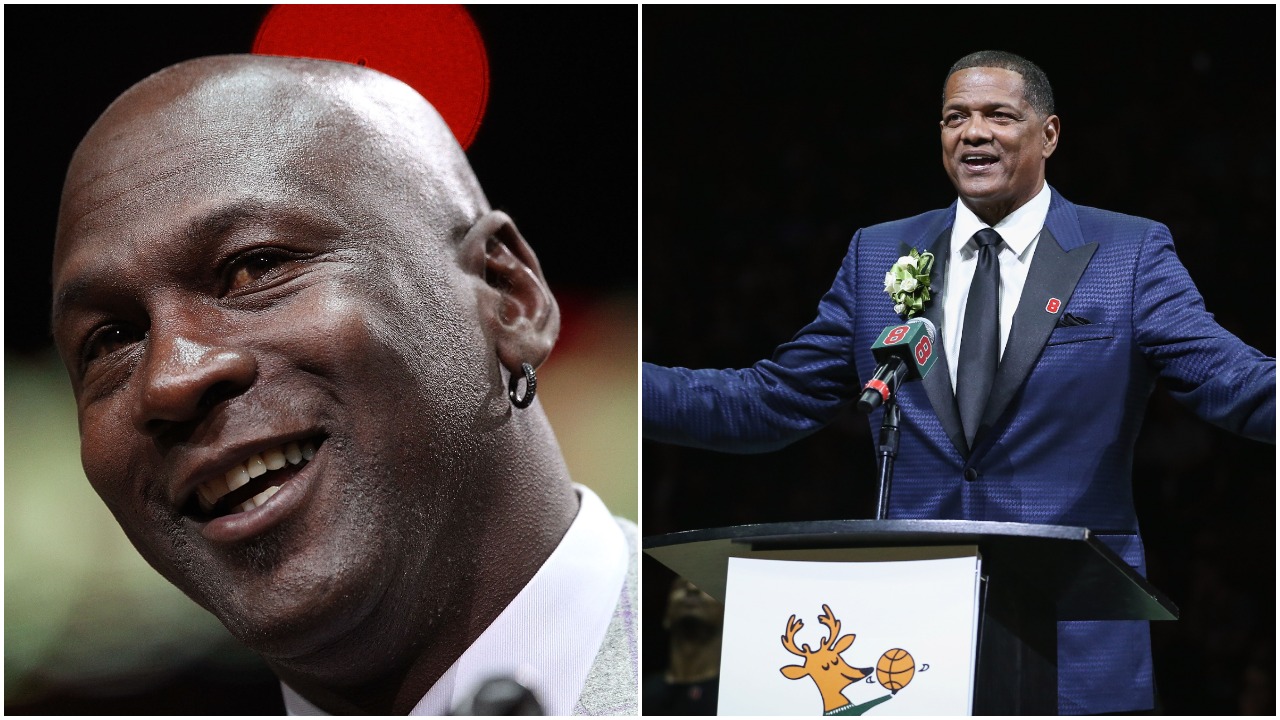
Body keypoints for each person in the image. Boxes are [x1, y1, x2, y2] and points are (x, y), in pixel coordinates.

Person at [643, 49, 1275, 715]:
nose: (974, 132)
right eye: (955, 118)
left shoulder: (1127, 254)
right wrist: (613, 388)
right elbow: (767, 403)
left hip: (1071, 639)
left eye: (999, 115)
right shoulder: (880, 255)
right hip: (909, 646)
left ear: (1049, 134)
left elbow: (1233, 381)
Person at [50, 54, 636, 715]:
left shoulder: (764, 660)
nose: (170, 379)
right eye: (112, 340)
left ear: (508, 297)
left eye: (255, 267)